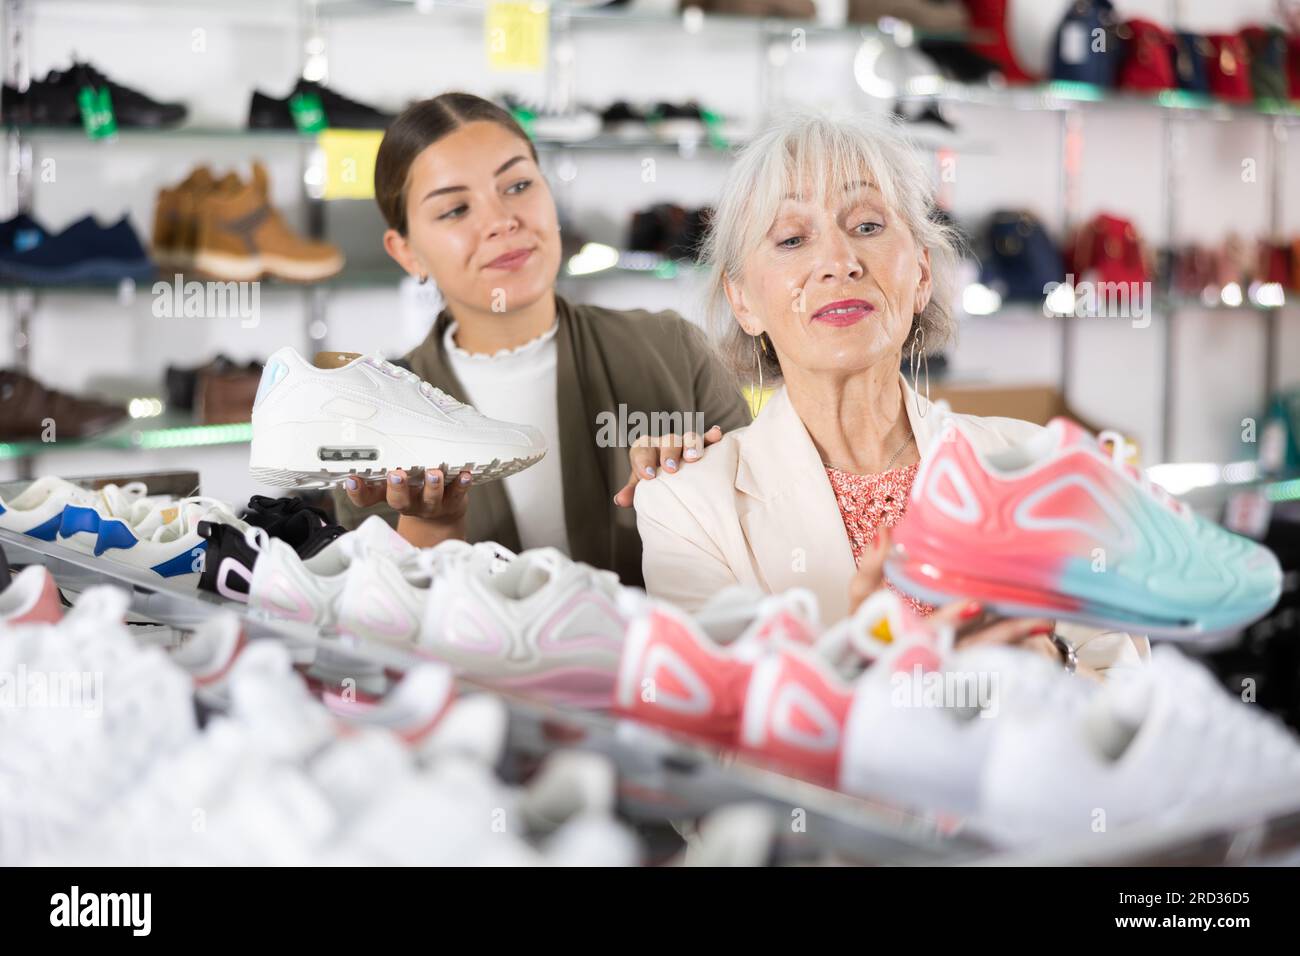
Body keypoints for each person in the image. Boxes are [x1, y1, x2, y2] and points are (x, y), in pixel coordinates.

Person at [630, 109, 1148, 676]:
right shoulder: (689, 502)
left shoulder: (1039, 469)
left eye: (868, 227)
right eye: (792, 238)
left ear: (922, 273)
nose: (838, 262)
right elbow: (724, 729)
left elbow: (1123, 694)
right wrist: (869, 667)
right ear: (743, 300)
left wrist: (1046, 660)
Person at [337, 92, 750, 585]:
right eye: (454, 210)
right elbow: (389, 624)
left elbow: (764, 551)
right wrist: (431, 524)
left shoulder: (674, 351)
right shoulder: (372, 417)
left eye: (517, 185)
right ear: (406, 253)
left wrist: (695, 505)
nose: (501, 221)